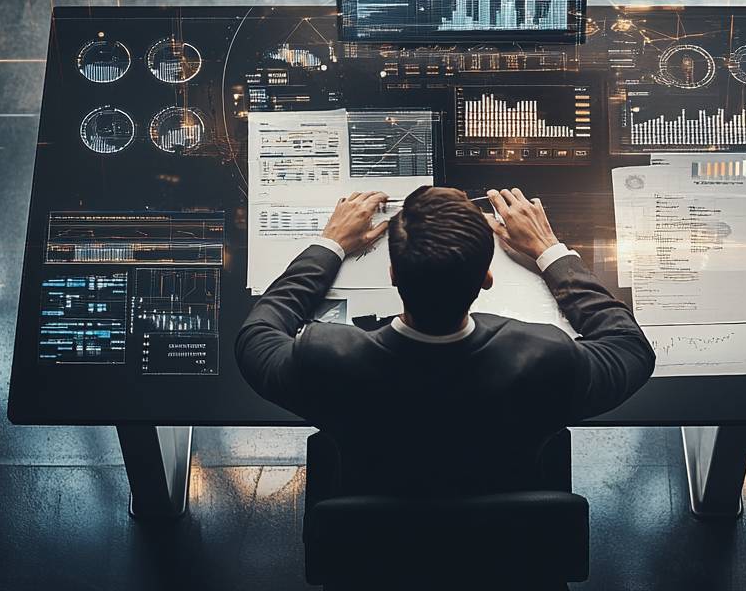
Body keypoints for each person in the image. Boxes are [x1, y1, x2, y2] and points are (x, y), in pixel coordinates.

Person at [235, 185, 655, 494]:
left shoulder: (325, 360)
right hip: (507, 547)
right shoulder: (548, 359)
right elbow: (630, 348)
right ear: (486, 279)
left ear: (394, 275)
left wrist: (328, 246)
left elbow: (257, 336)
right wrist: (550, 251)